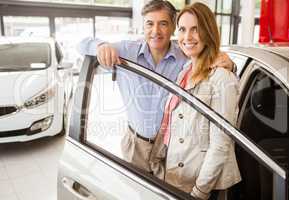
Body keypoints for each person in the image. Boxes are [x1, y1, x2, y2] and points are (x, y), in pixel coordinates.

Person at [78, 0, 235, 173]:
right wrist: (101, 46)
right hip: (135, 145)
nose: (155, 31)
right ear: (143, 26)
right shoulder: (125, 51)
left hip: (169, 148)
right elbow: (82, 44)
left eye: (163, 24)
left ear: (173, 28)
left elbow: (212, 70)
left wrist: (230, 65)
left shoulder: (185, 56)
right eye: (150, 24)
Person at [156, 2, 241, 200]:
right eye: (183, 29)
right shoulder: (186, 69)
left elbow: (221, 144)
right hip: (177, 175)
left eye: (196, 29)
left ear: (208, 31)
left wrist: (200, 192)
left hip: (200, 186)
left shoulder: (222, 78)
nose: (187, 37)